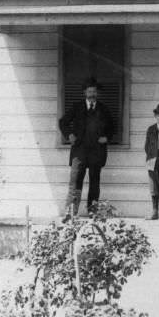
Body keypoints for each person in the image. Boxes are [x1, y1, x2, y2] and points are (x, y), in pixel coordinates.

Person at [58, 77, 113, 217]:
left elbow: (113, 128)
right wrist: (69, 135)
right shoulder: (77, 107)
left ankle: (93, 212)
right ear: (85, 92)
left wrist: (106, 138)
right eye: (89, 91)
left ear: (97, 93)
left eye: (94, 91)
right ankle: (71, 213)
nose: (92, 94)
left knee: (94, 183)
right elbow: (63, 122)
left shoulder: (104, 109)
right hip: (79, 151)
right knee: (75, 182)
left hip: (96, 151)